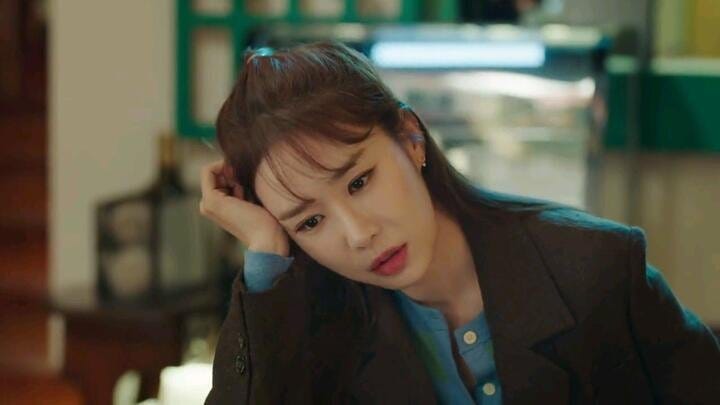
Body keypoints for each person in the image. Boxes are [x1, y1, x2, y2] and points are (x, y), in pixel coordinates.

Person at [199, 41, 719, 404]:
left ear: (410, 138)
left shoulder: (594, 269)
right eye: (311, 222)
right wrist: (265, 250)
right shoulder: (320, 324)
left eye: (359, 182)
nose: (358, 235)